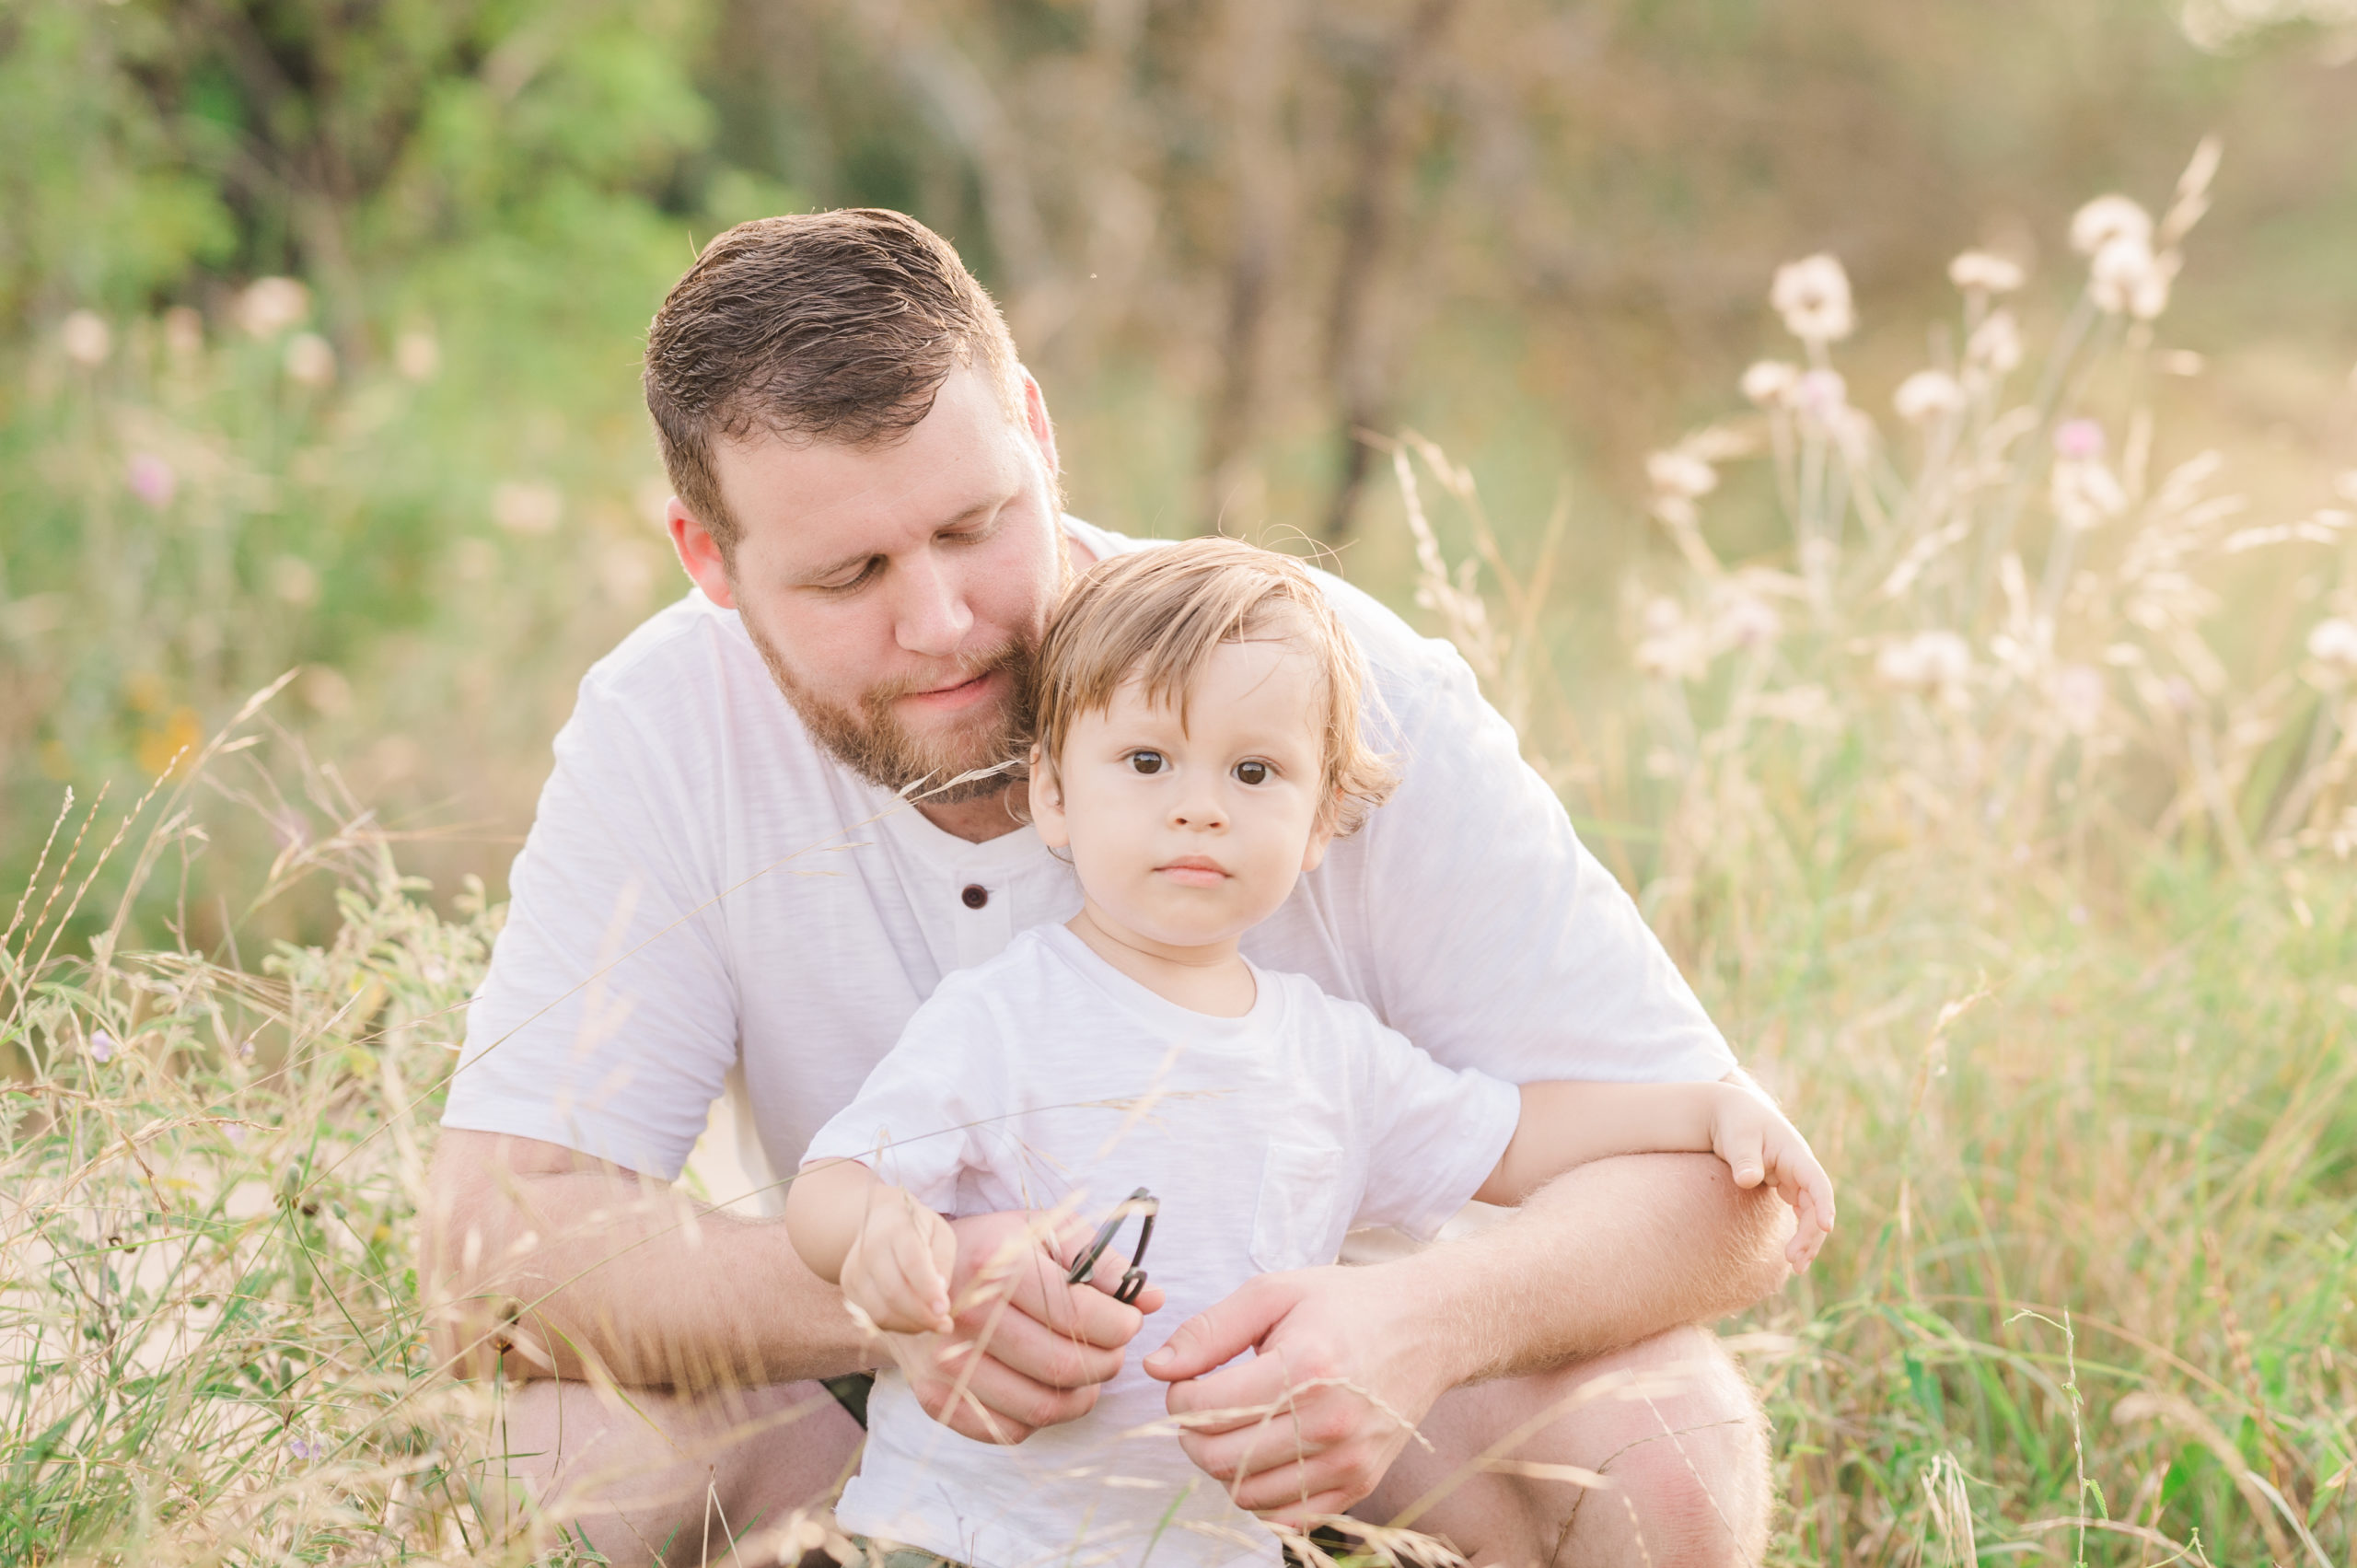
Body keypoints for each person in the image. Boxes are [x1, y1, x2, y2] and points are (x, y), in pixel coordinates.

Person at [425, 206, 1802, 1568]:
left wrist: (1425, 1321)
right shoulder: (665, 726)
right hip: (899, 1435)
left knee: (1666, 1451)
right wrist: (906, 1298)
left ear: (1035, 427)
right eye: (850, 573)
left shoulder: (1325, 689)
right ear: (708, 559)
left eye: (974, 525)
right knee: (549, 1459)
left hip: (1332, 1417)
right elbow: (495, 1246)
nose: (942, 620)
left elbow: (1721, 1189)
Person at [784, 539, 1833, 1568]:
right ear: (1053, 793)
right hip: (952, 1532)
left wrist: (1696, 1110)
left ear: (1321, 817)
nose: (1199, 804)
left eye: (1253, 770)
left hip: (1206, 1543)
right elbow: (832, 1181)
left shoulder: (1329, 1053)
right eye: (1146, 761)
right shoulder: (1003, 1014)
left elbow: (1515, 1137)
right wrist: (877, 1231)